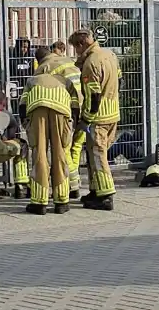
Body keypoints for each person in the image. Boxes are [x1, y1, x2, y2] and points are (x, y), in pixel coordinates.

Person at [20, 46, 79, 215]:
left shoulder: (33, 79)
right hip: (61, 109)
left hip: (37, 108)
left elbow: (22, 104)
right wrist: (72, 123)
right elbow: (75, 103)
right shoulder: (64, 79)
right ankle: (62, 201)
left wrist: (26, 123)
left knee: (39, 155)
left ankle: (39, 203)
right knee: (60, 153)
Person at [69, 28, 122, 210]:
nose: (76, 52)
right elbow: (119, 79)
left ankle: (106, 195)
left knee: (98, 156)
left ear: (81, 44)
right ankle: (95, 190)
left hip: (98, 117)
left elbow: (93, 96)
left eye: (75, 48)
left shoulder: (91, 63)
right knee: (94, 155)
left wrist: (86, 119)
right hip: (113, 112)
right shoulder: (110, 55)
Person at [45, 40, 85, 198]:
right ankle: (74, 183)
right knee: (76, 147)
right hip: (83, 107)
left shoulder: (50, 67)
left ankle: (73, 185)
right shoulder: (70, 62)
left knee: (65, 148)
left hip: (68, 109)